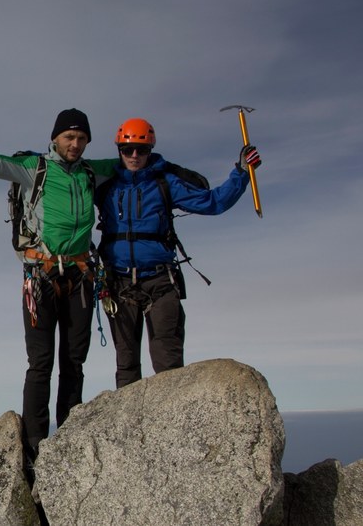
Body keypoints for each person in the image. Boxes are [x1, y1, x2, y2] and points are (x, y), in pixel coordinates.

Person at [0, 76, 119, 474]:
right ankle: (34, 447)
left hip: (80, 278)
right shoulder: (35, 168)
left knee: (74, 362)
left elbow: (134, 162)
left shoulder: (92, 172)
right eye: (69, 136)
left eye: (81, 138)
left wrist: (166, 163)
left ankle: (70, 436)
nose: (75, 144)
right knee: (41, 362)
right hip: (40, 279)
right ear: (55, 138)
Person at [95, 117, 260, 388]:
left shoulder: (165, 183)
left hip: (160, 281)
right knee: (126, 366)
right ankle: (127, 429)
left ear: (151, 149)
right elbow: (66, 192)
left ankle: (169, 427)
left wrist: (241, 172)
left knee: (168, 366)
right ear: (119, 151)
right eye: (128, 150)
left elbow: (213, 202)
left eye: (142, 149)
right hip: (118, 283)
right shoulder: (106, 186)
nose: (134, 155)